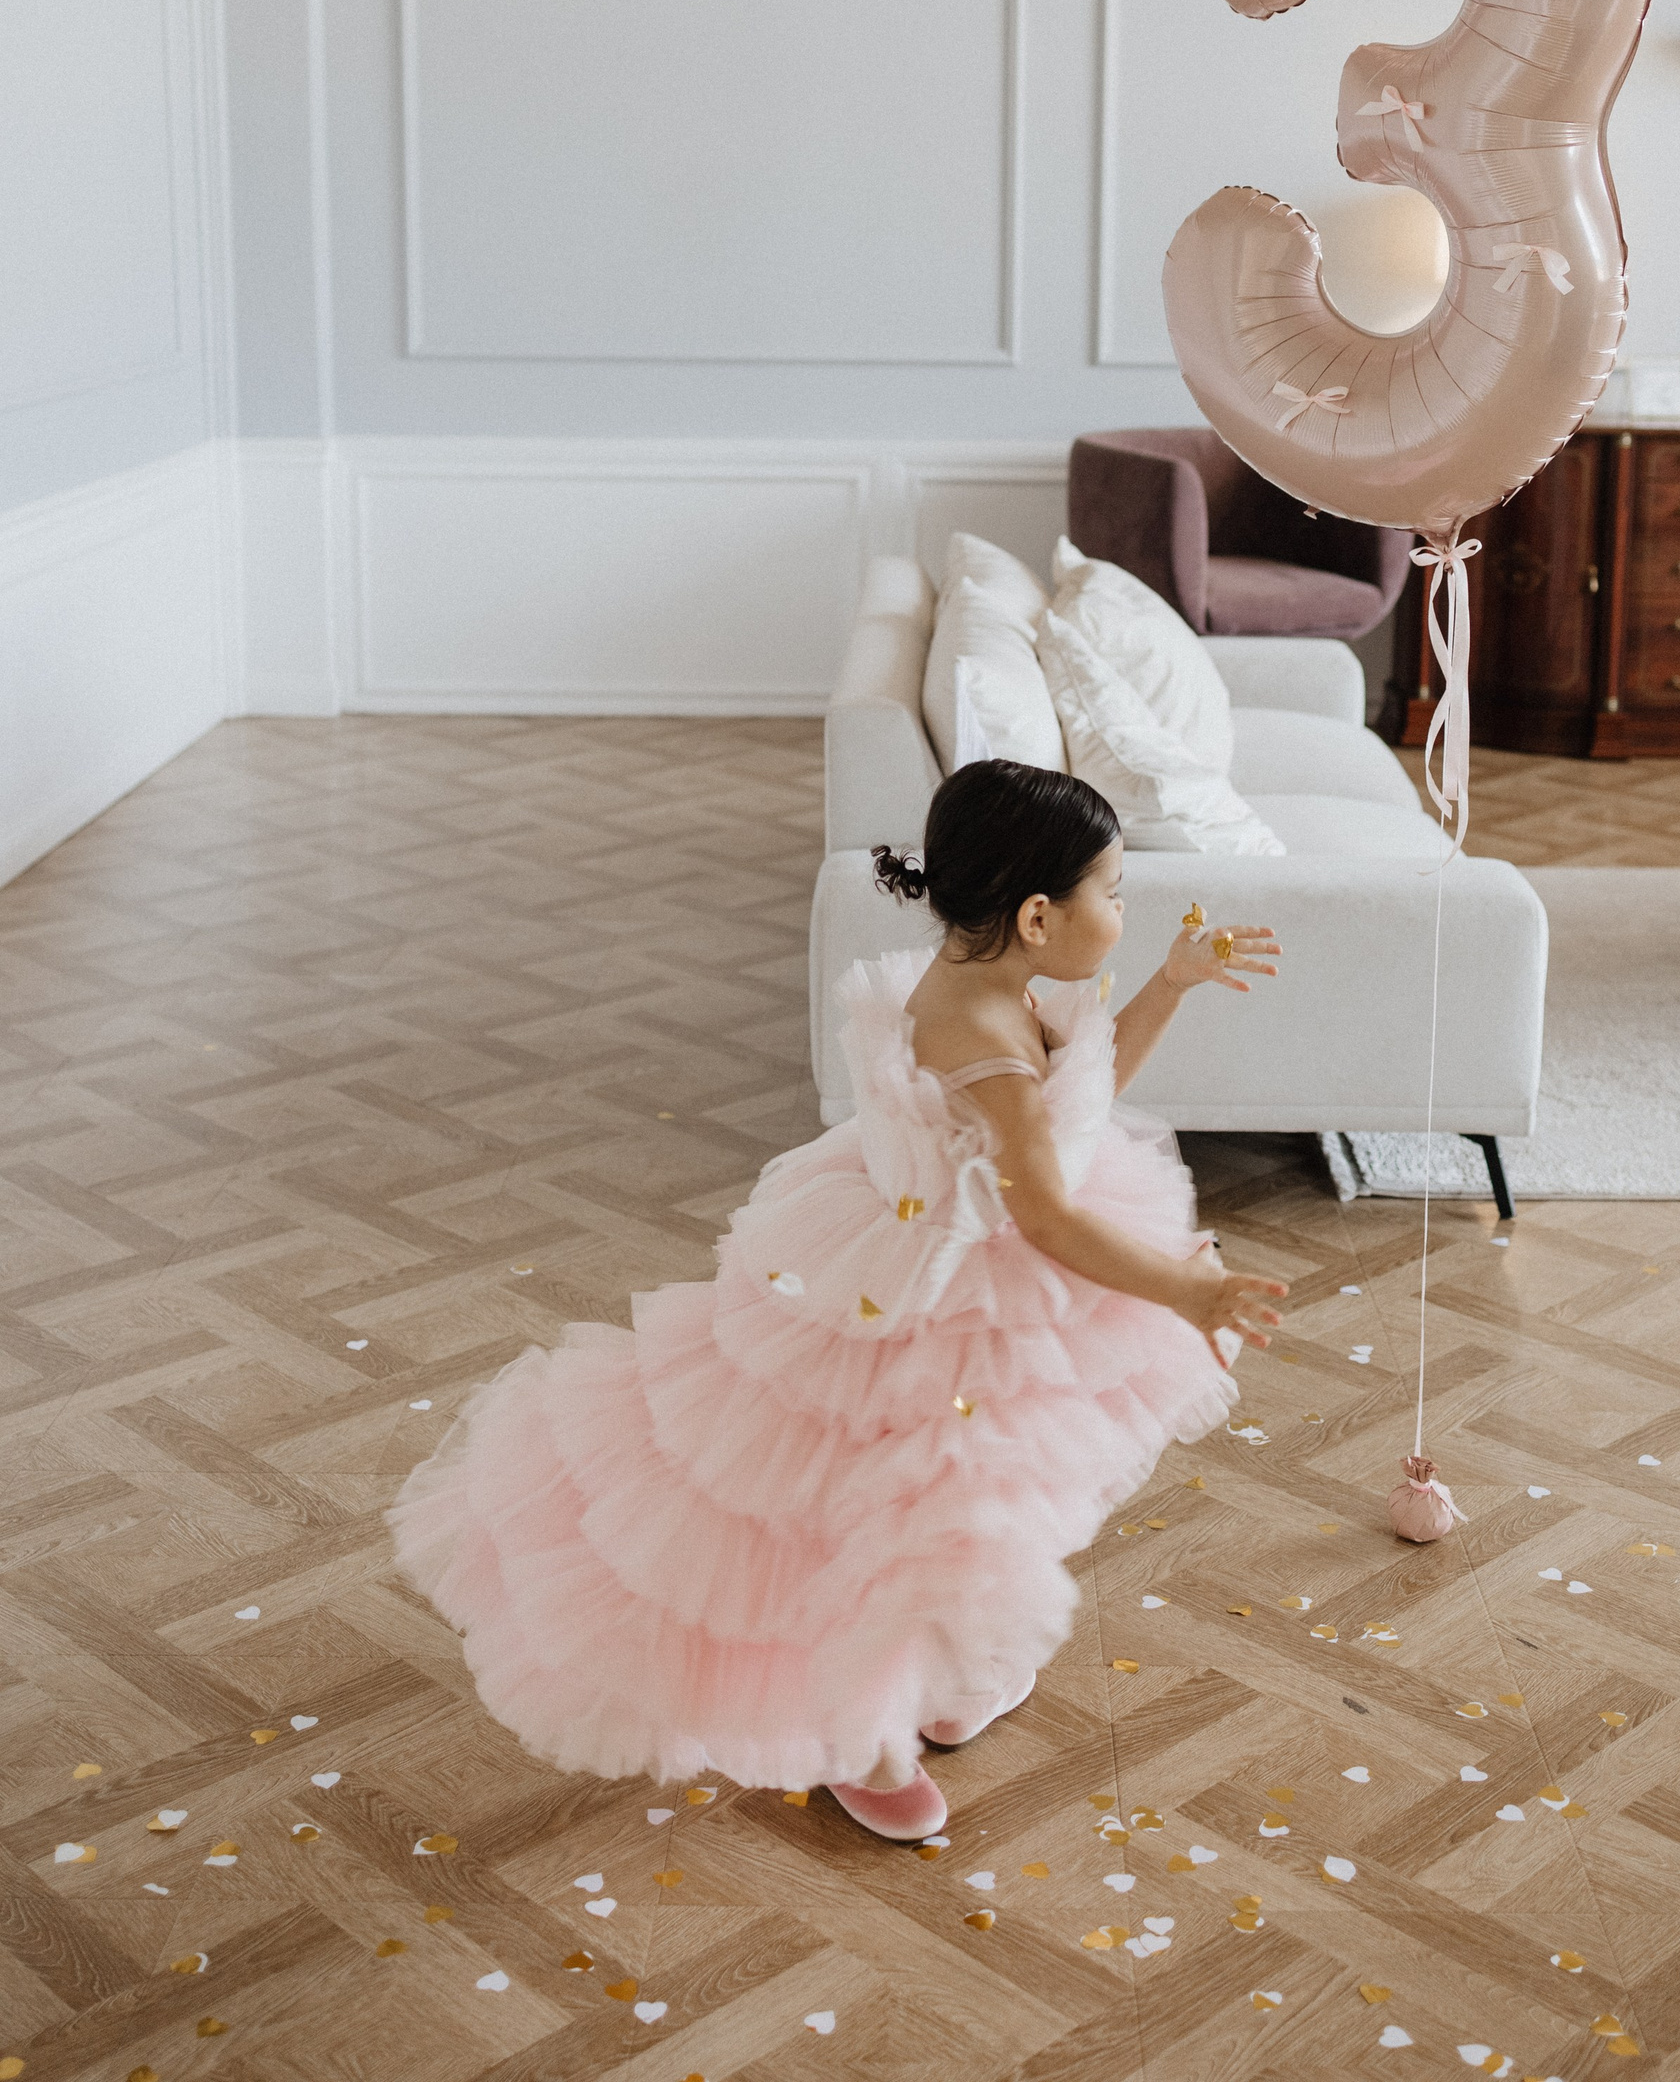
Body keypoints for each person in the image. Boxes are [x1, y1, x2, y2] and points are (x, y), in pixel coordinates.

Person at [389, 758, 1285, 1843]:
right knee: (891, 1522)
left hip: (962, 1264)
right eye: (1116, 891)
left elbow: (1080, 1104)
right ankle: (860, 1738)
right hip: (928, 1298)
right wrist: (1184, 1289)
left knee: (967, 1514)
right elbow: (1047, 1214)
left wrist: (1173, 983)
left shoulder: (996, 985)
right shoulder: (983, 1039)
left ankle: (947, 1683)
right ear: (1040, 917)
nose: (1125, 910)